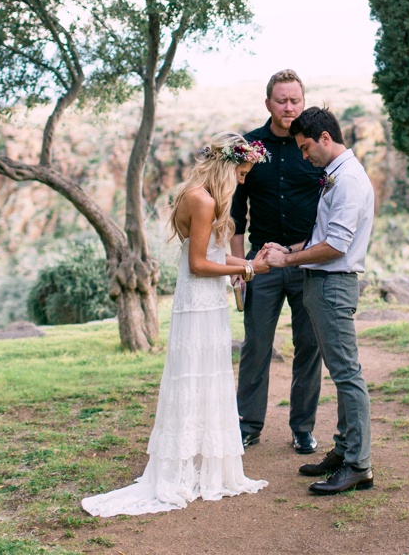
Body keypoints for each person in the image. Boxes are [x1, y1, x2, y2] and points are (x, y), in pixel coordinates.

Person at [82, 133, 270, 517]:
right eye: (242, 172)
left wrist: (249, 262)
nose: (243, 180)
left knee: (207, 378)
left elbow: (212, 257)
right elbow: (198, 265)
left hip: (207, 303)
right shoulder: (201, 201)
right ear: (226, 166)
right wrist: (250, 267)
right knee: (197, 378)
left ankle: (199, 466)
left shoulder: (200, 196)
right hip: (199, 304)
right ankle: (185, 472)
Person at [261, 107, 375, 495]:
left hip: (333, 285)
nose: (304, 156)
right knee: (342, 372)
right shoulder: (336, 176)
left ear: (325, 138)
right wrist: (287, 247)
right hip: (322, 283)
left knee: (347, 375)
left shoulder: (349, 182)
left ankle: (358, 464)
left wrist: (288, 261)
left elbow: (336, 246)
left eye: (307, 147)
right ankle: (344, 451)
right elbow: (321, 235)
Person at [231, 70, 324, 454]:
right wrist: (240, 268)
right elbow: (236, 212)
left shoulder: (315, 146)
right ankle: (248, 425)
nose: (289, 107)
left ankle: (302, 428)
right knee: (256, 346)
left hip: (307, 262)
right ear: (268, 103)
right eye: (282, 100)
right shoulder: (249, 146)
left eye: (295, 100)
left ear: (304, 101)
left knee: (309, 346)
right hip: (262, 263)